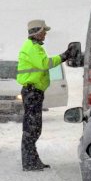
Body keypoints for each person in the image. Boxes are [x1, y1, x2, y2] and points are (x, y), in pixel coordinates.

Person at [16, 20, 74, 171]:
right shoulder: (32, 48)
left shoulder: (34, 47)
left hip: (34, 91)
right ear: (36, 32)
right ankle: (29, 162)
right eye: (43, 31)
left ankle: (32, 159)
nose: (45, 34)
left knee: (34, 127)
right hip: (32, 91)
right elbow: (44, 64)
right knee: (32, 127)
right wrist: (64, 56)